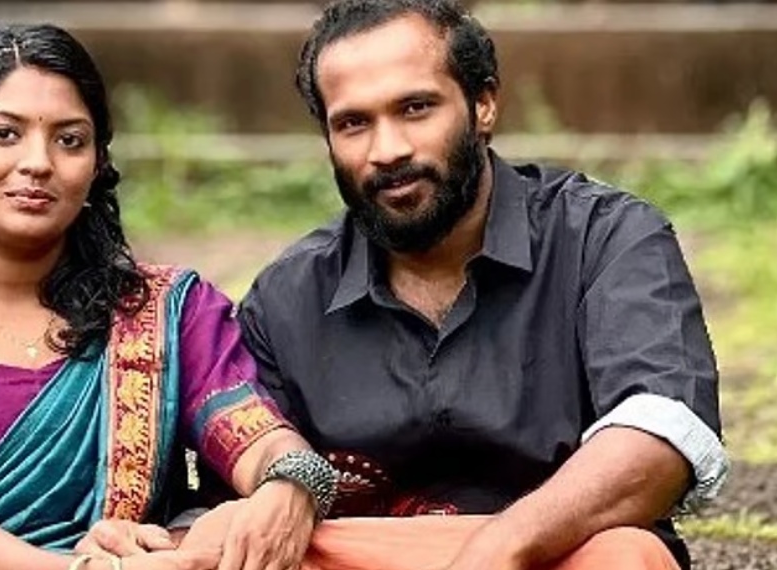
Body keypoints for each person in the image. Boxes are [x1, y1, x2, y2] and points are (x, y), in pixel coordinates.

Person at [172, 1, 727, 569]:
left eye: (416, 108)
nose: (387, 150)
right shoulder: (286, 300)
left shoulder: (603, 239)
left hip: (555, 558)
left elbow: (660, 435)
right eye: (354, 123)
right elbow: (234, 504)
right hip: (360, 560)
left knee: (623, 554)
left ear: (483, 104)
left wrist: (500, 548)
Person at [0, 24, 335, 570]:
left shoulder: (168, 312)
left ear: (98, 161)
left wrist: (289, 485)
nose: (38, 162)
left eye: (70, 140)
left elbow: (260, 440)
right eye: (4, 134)